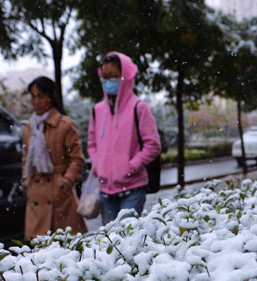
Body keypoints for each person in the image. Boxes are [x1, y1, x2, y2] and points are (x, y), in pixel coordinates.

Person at [88, 52, 161, 225]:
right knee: (111, 243)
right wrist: (99, 166)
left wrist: (130, 167)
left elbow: (153, 145)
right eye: (105, 77)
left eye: (113, 76)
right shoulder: (97, 111)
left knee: (126, 240)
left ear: (126, 76)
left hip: (133, 188)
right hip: (106, 191)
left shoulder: (139, 107)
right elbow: (91, 144)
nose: (108, 82)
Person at [22, 76, 87, 240]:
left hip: (60, 196)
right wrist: (26, 180)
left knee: (67, 250)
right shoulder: (28, 128)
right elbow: (25, 158)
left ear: (50, 97)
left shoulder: (65, 125)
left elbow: (77, 159)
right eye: (33, 96)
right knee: (41, 254)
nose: (36, 101)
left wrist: (66, 182)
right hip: (36, 191)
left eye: (40, 96)